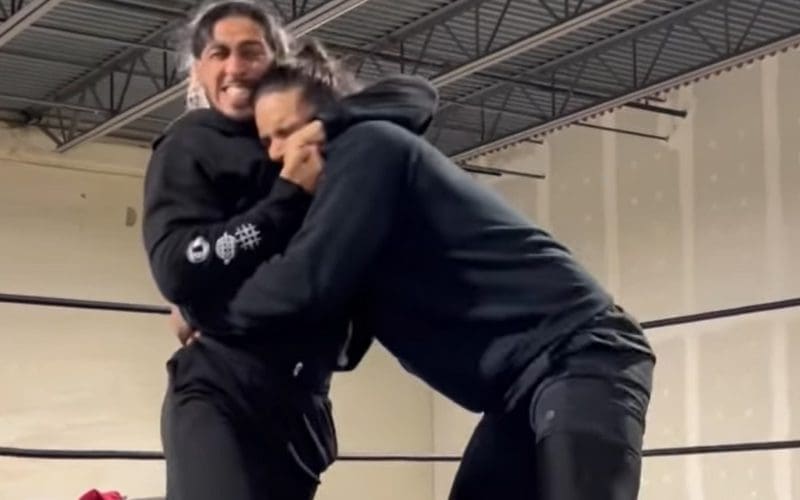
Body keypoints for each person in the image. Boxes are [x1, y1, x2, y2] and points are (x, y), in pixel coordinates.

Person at [188, 37, 657, 500]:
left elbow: (304, 284)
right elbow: (335, 339)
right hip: (513, 390)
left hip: (581, 350)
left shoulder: (367, 148)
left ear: (323, 125)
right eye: (267, 141)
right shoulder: (337, 217)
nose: (276, 154)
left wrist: (207, 309)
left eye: (287, 132)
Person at [140, 2, 438, 499]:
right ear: (198, 71)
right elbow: (176, 269)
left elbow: (417, 97)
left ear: (277, 60)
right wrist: (287, 195)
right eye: (219, 53)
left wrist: (320, 125)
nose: (235, 67)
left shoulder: (309, 129)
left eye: (250, 52)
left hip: (302, 403)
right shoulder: (190, 143)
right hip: (222, 389)